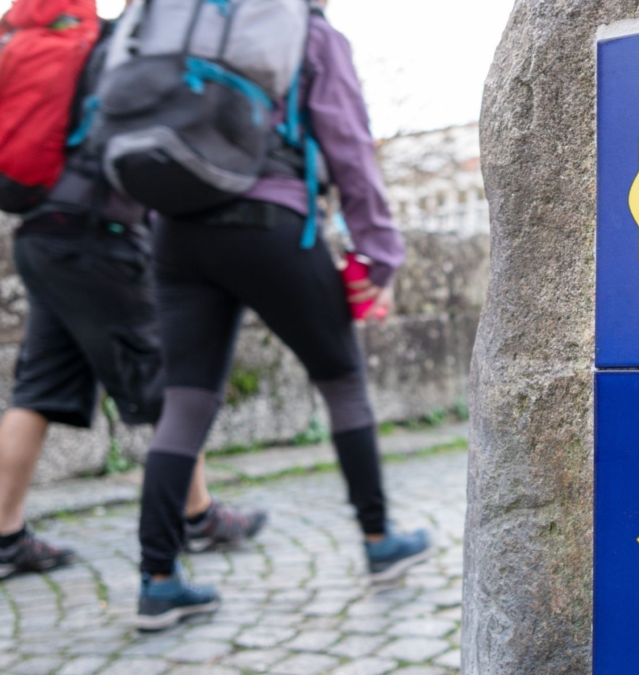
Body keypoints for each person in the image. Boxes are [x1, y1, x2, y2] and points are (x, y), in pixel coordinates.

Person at [134, 1, 431, 631]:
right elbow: (348, 144)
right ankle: (379, 542)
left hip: (176, 233)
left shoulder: (183, 25)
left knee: (185, 406)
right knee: (343, 383)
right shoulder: (308, 30)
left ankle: (157, 580)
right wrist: (377, 252)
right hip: (269, 222)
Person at [0, 1, 266, 583]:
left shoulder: (11, 44)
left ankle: (2, 541)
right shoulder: (105, 44)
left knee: (37, 388)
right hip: (97, 236)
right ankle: (197, 519)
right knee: (168, 383)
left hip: (38, 236)